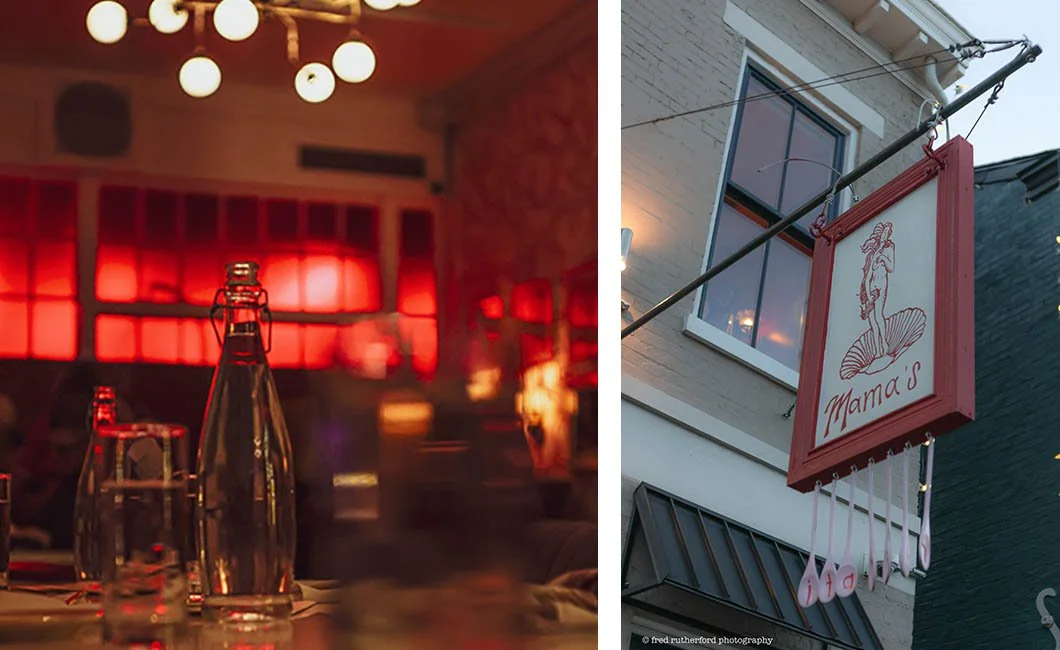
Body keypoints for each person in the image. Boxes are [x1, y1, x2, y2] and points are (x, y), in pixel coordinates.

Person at [859, 222, 895, 355]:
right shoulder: (873, 252)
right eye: (883, 233)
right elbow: (868, 276)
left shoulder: (889, 248)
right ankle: (877, 349)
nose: (885, 236)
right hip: (871, 286)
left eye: (887, 233)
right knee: (872, 320)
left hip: (881, 285)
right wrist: (868, 294)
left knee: (878, 315)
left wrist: (883, 258)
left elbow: (891, 267)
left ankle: (885, 344)